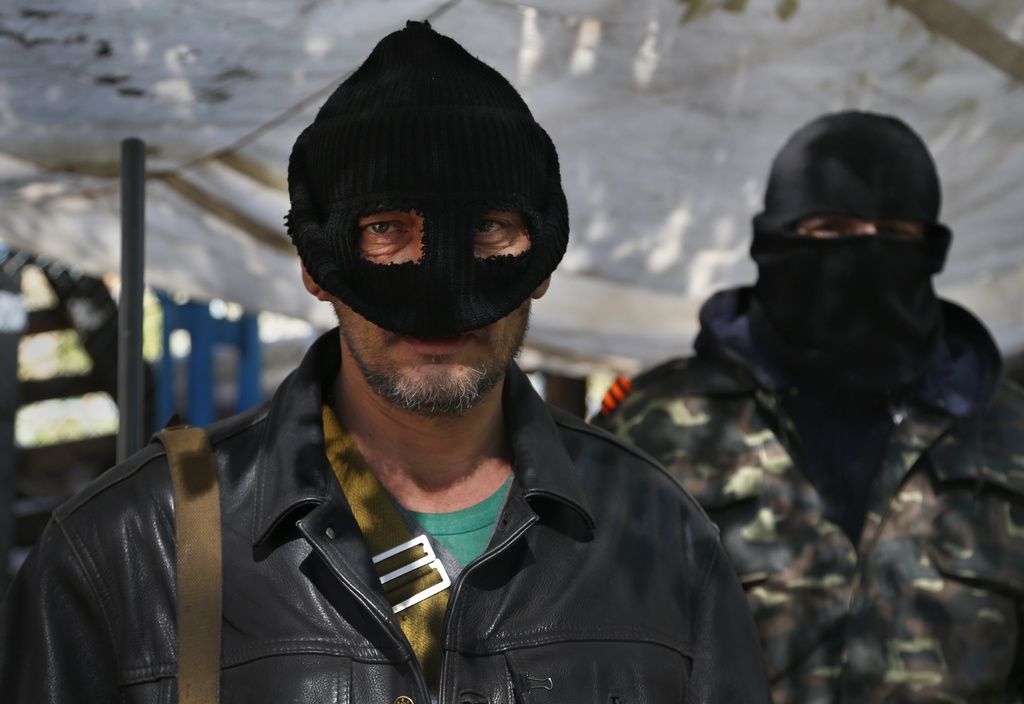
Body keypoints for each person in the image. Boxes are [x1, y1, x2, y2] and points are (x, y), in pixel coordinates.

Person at [0, 21, 769, 703]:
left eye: (490, 228)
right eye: (386, 229)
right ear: (316, 262)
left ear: (543, 260)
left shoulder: (661, 538)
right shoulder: (130, 552)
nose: (438, 293)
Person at [593, 109, 1024, 703]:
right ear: (774, 241)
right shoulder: (656, 425)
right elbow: (589, 652)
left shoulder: (1007, 433)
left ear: (930, 250)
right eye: (831, 228)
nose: (864, 257)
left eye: (896, 235)